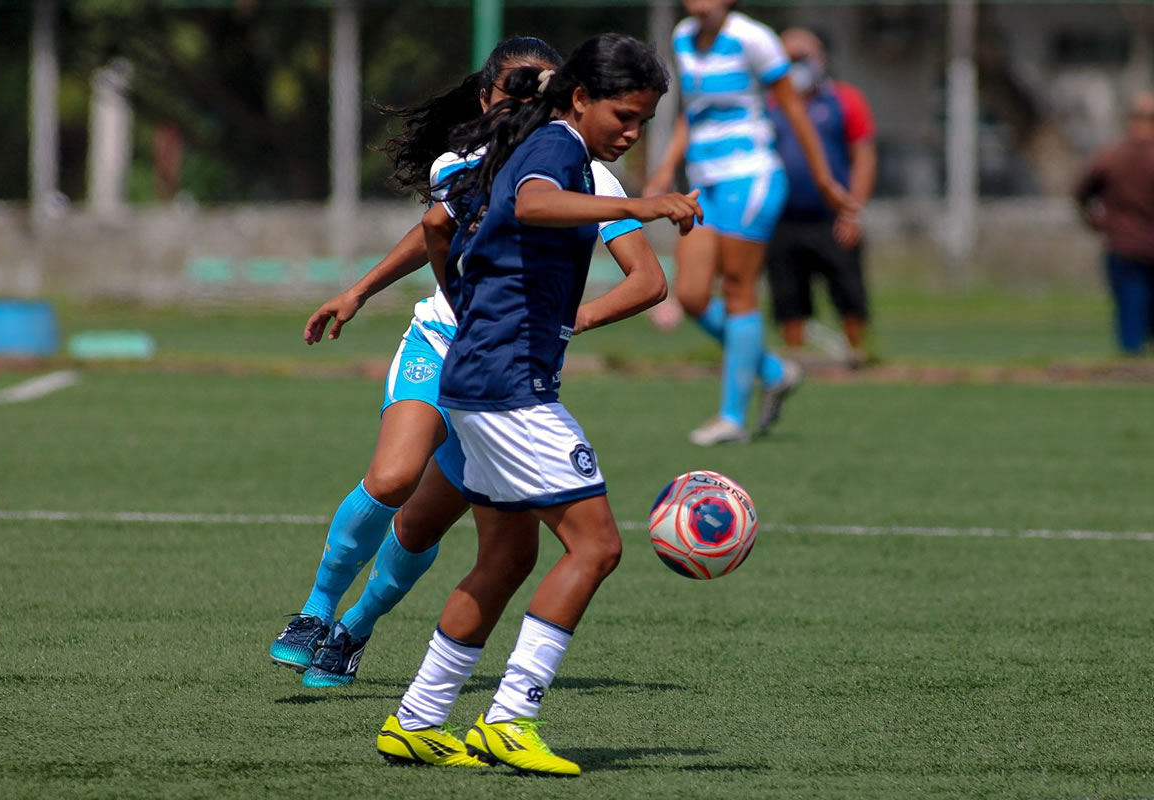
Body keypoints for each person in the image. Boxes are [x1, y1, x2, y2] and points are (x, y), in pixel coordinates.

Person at [270, 37, 663, 689]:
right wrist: (364, 291)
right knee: (395, 477)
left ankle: (353, 630)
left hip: (510, 378)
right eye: (512, 89)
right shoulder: (467, 160)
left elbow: (648, 280)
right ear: (486, 98)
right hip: (443, 347)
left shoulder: (590, 173)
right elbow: (435, 229)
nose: (521, 101)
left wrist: (575, 319)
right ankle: (314, 612)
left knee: (424, 525)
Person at [375, 35, 702, 775]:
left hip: (483, 376)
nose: (631, 133)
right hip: (507, 384)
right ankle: (510, 719)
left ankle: (420, 719)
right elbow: (536, 205)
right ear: (580, 97)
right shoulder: (557, 150)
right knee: (598, 546)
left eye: (644, 122)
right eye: (623, 114)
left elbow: (442, 228)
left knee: (509, 554)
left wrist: (541, 316)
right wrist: (646, 203)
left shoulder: (541, 142)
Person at [645, 0, 857, 445]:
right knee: (691, 295)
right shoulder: (683, 36)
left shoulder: (754, 38)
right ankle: (774, 371)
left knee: (740, 292)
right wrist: (666, 169)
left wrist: (823, 180)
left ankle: (732, 418)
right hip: (704, 182)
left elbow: (793, 110)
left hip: (751, 177)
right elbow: (693, 111)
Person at [767, 28, 877, 364]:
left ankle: (855, 354)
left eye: (803, 58)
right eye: (790, 59)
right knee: (788, 294)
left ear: (821, 59)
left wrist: (852, 211)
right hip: (781, 217)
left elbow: (864, 157)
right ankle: (795, 358)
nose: (797, 67)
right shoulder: (766, 103)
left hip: (830, 217)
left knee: (848, 288)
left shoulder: (845, 100)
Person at [1073, 89, 1154, 356]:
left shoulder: (1111, 157)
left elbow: (1080, 193)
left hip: (1123, 244)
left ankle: (1132, 358)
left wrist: (1094, 222)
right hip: (1138, 244)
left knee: (1130, 305)